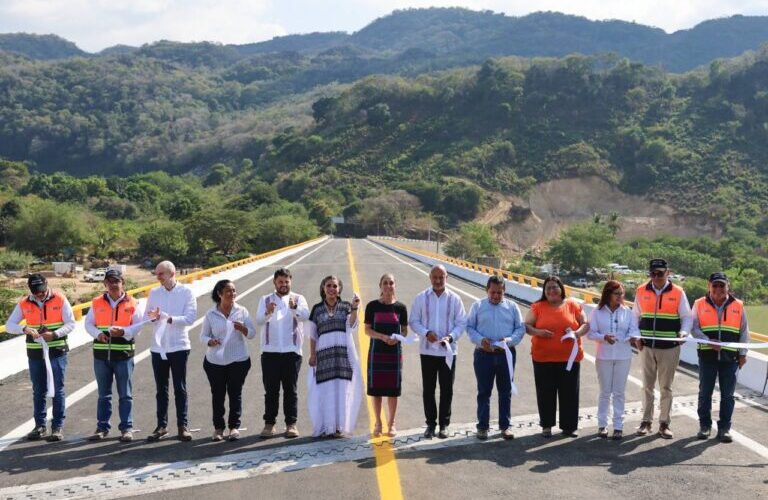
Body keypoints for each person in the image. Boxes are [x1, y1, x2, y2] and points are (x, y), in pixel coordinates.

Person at [5, 274, 75, 442]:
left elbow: (71, 323)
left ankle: (57, 427)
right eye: (36, 292)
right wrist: (25, 329)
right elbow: (10, 325)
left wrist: (55, 334)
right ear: (30, 290)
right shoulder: (24, 303)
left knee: (57, 389)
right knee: (39, 390)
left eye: (42, 291)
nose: (40, 295)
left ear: (47, 284)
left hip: (56, 350)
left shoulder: (60, 299)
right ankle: (40, 426)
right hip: (35, 353)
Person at [632, 258, 692, 439]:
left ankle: (664, 423)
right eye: (653, 273)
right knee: (647, 386)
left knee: (666, 387)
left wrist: (683, 332)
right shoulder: (641, 290)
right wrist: (636, 336)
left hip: (669, 347)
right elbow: (635, 317)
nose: (656, 277)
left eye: (660, 273)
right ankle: (646, 421)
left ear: (668, 272)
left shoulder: (678, 292)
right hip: (646, 346)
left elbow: (687, 317)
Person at [525, 276, 589, 438]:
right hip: (543, 358)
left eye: (555, 287)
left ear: (561, 289)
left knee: (569, 393)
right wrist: (539, 332)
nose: (552, 291)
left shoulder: (573, 305)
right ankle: (546, 425)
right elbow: (527, 326)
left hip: (569, 359)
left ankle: (569, 426)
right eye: (548, 288)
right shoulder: (537, 307)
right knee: (545, 392)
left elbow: (585, 324)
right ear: (544, 292)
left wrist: (576, 333)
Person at [84, 269, 143, 442]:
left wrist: (123, 332)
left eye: (116, 281)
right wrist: (97, 334)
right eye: (110, 281)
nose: (113, 284)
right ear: (105, 284)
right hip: (102, 356)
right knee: (104, 394)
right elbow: (88, 324)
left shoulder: (133, 303)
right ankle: (102, 427)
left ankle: (127, 428)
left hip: (124, 355)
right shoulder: (96, 302)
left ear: (122, 282)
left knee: (125, 394)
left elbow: (138, 327)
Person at [409, 265, 466, 439]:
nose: (438, 280)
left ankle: (444, 425)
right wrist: (426, 333)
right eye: (435, 277)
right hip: (427, 352)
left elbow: (461, 322)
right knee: (428, 389)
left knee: (447, 389)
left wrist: (450, 337)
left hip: (448, 352)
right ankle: (430, 424)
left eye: (441, 277)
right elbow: (414, 321)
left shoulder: (455, 299)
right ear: (430, 277)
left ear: (446, 277)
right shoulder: (421, 298)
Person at [692, 272, 749, 443]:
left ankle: (724, 428)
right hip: (707, 356)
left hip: (729, 358)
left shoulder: (738, 305)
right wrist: (708, 341)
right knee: (705, 393)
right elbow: (693, 329)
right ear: (709, 286)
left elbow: (744, 332)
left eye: (721, 285)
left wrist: (742, 354)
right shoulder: (698, 304)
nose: (718, 289)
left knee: (728, 395)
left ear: (727, 287)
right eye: (715, 285)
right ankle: (704, 426)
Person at [466, 275, 526, 440]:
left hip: (505, 354)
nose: (496, 296)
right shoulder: (477, 306)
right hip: (483, 355)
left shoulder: (513, 307)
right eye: (492, 292)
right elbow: (469, 327)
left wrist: (509, 340)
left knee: (505, 391)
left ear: (504, 291)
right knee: (484, 391)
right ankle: (483, 427)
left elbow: (520, 329)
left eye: (499, 292)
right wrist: (480, 340)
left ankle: (505, 426)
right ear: (487, 290)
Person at [144, 260, 197, 442]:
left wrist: (168, 318)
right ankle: (162, 425)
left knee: (179, 388)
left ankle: (183, 425)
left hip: (179, 346)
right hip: (158, 348)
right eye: (157, 274)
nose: (157, 277)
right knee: (161, 389)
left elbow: (190, 318)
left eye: (161, 274)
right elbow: (147, 316)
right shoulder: (154, 292)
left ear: (172, 273)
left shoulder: (186, 292)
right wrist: (153, 317)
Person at [255, 268, 309, 439]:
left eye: (286, 282)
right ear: (274, 282)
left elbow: (304, 317)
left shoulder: (298, 299)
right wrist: (268, 311)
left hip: (291, 352)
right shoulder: (265, 300)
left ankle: (291, 424)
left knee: (290, 390)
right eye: (280, 282)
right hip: (270, 353)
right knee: (271, 390)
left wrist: (294, 309)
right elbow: (259, 321)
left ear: (290, 282)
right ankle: (269, 424)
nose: (283, 285)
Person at [307, 275, 362, 438]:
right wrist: (312, 354)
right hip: (323, 355)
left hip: (343, 354)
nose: (332, 289)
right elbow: (312, 334)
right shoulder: (316, 309)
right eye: (328, 286)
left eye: (335, 286)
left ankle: (339, 427)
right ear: (323, 288)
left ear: (339, 289)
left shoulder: (346, 306)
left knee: (341, 388)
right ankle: (326, 427)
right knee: (325, 389)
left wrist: (354, 308)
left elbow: (352, 325)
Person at [201, 279, 256, 441]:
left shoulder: (242, 311)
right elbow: (203, 335)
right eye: (228, 291)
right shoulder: (211, 314)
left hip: (238, 360)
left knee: (235, 393)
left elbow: (252, 333)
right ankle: (218, 429)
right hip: (215, 362)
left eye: (234, 291)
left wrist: (243, 328)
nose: (232, 294)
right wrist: (209, 341)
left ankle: (234, 427)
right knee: (217, 395)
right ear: (219, 294)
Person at [587, 280, 637, 440]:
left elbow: (633, 330)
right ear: (608, 294)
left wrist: (628, 337)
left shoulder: (627, 312)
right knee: (605, 392)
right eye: (617, 294)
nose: (621, 297)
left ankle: (618, 426)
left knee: (619, 392)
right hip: (604, 356)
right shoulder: (597, 312)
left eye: (622, 293)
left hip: (623, 356)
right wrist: (604, 337)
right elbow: (590, 333)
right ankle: (602, 425)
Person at [364, 273, 408, 438]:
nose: (388, 286)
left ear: (395, 285)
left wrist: (398, 339)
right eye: (385, 283)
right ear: (380, 286)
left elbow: (404, 330)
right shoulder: (372, 306)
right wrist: (382, 337)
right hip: (377, 352)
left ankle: (391, 423)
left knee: (392, 390)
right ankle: (378, 422)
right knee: (376, 390)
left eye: (391, 283)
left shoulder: (401, 308)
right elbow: (367, 330)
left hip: (394, 353)